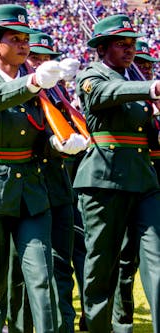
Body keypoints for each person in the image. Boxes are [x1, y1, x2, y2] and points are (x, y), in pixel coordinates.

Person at [0, 5, 86, 332]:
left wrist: (58, 145)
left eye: (25, 39)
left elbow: (40, 132)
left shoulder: (40, 88)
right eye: (14, 39)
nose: (23, 45)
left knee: (41, 275)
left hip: (31, 191)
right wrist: (31, 83)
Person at [74, 14, 160, 332]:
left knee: (157, 257)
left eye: (132, 44)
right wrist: (151, 88)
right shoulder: (91, 76)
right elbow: (104, 95)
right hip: (103, 179)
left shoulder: (135, 81)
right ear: (103, 48)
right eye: (121, 44)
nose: (129, 49)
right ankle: (100, 327)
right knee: (102, 265)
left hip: (144, 179)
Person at [7, 32, 85, 333]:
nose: (40, 64)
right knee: (19, 269)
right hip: (25, 188)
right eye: (34, 59)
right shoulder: (20, 93)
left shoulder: (60, 96)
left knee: (60, 265)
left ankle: (62, 325)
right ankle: (19, 325)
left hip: (58, 186)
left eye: (45, 60)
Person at [111, 40, 160, 333]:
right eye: (139, 65)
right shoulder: (130, 99)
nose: (143, 70)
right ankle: (123, 320)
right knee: (126, 258)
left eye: (148, 66)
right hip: (134, 179)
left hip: (153, 180)